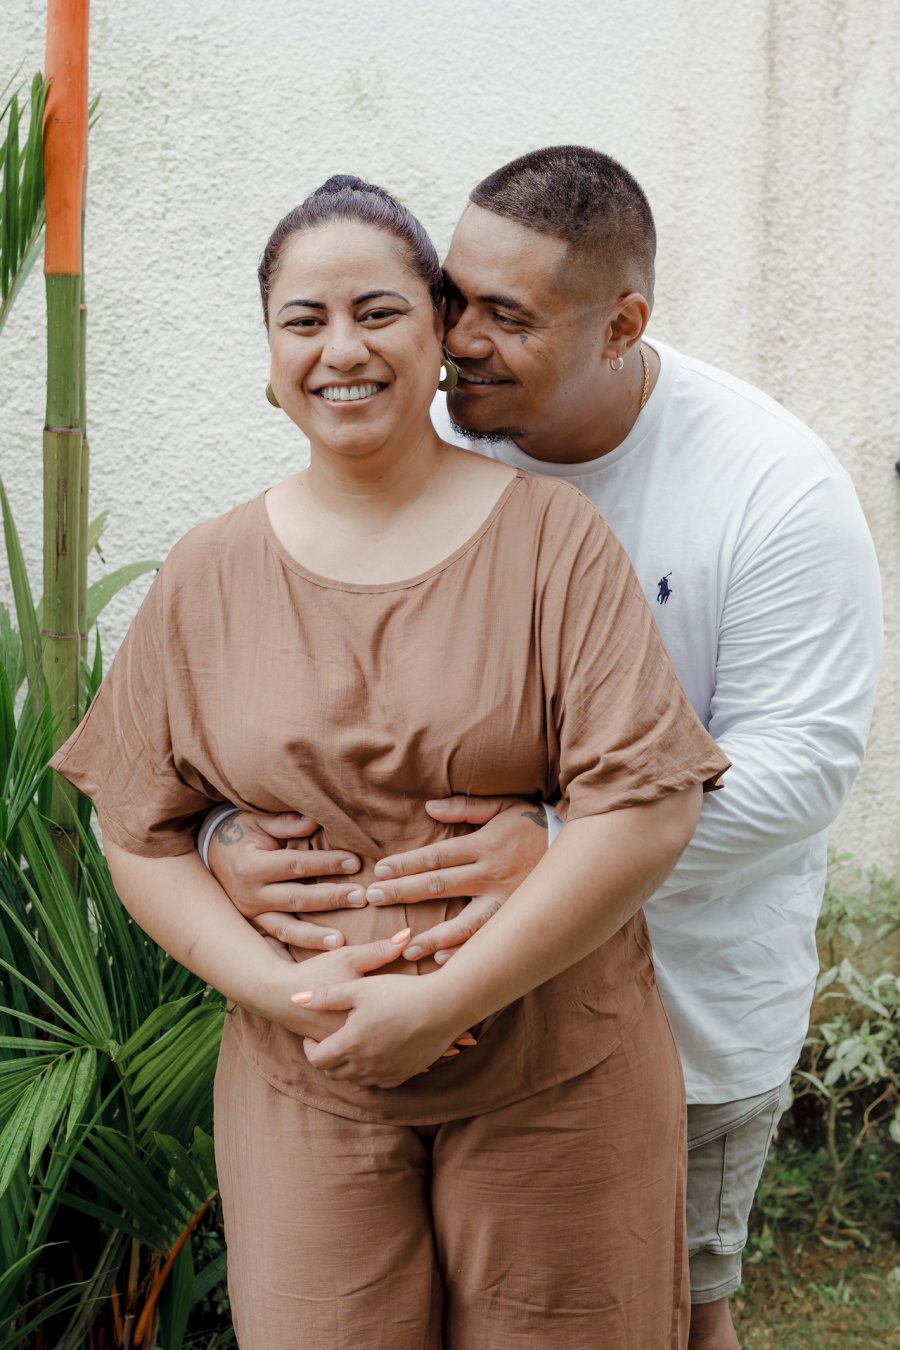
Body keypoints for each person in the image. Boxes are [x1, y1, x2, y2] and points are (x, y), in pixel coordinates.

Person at [202, 149, 883, 1350]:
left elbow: (805, 767)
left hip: (681, 999)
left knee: (676, 1311)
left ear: (622, 327)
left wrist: (562, 845)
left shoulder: (772, 487)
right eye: (456, 298)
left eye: (509, 319)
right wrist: (221, 837)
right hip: (428, 1027)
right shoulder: (440, 437)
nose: (462, 341)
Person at [52, 174, 730, 1349]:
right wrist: (291, 996)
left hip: (556, 1074)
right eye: (303, 322)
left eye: (378, 312)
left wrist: (444, 1002)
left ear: (438, 330)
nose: (342, 350)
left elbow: (644, 810)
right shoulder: (209, 571)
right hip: (308, 1079)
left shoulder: (553, 542)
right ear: (270, 358)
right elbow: (139, 830)